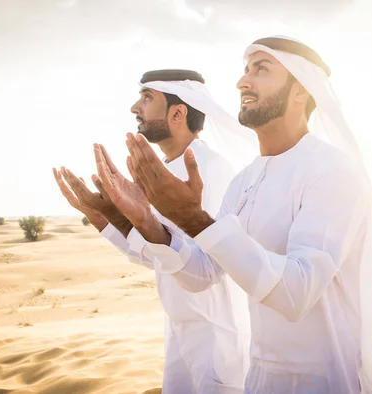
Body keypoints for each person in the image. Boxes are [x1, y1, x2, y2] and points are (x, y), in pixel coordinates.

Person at [109, 37, 372, 393]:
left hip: (320, 380)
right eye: (245, 70)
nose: (242, 82)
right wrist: (146, 222)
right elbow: (202, 274)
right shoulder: (244, 180)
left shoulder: (332, 171)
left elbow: (297, 293)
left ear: (300, 90)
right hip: (259, 378)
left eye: (261, 70)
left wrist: (193, 220)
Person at [53, 69, 253, 394]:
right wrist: (105, 217)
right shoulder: (162, 172)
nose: (135, 107)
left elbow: (207, 267)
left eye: (147, 97)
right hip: (180, 337)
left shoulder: (208, 168)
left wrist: (142, 221)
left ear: (178, 113)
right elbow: (161, 257)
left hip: (216, 342)